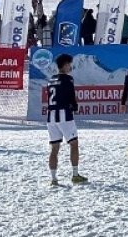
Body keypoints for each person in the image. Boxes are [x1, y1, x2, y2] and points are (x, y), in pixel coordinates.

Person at [46, 54, 86, 185]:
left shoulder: (51, 79)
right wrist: (74, 107)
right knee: (74, 144)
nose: (71, 67)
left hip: (51, 116)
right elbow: (71, 96)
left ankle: (53, 179)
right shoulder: (68, 79)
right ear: (65, 65)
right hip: (64, 115)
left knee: (54, 148)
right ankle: (75, 175)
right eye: (69, 64)